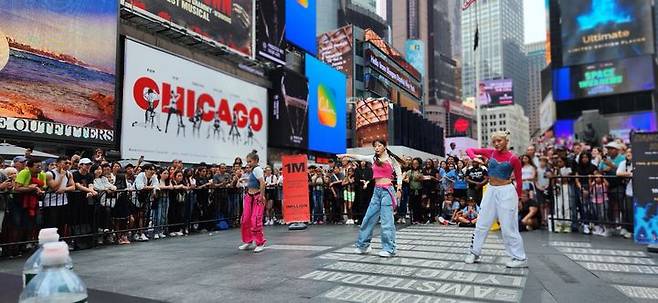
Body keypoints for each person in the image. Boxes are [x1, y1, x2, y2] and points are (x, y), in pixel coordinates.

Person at [464, 130, 528, 268]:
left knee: (508, 226)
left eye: (499, 141)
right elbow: (469, 149)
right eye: (494, 141)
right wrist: (473, 157)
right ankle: (474, 252)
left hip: (507, 192)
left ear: (506, 141)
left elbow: (519, 179)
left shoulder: (513, 159)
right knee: (482, 222)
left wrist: (519, 198)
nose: (497, 144)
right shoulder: (490, 153)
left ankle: (519, 258)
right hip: (491, 190)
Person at [338, 139, 403, 258]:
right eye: (375, 146)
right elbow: (359, 156)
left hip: (388, 191)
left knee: (386, 221)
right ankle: (363, 245)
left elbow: (399, 173)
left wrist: (399, 189)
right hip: (376, 191)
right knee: (368, 218)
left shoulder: (391, 159)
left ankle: (389, 248)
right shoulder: (373, 159)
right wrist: (346, 155)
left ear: (384, 146)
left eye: (379, 145)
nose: (377, 148)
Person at [238, 150, 267, 253]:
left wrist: (262, 196)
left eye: (250, 161)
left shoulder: (258, 169)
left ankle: (260, 242)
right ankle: (248, 240)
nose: (248, 163)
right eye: (247, 161)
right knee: (245, 220)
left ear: (256, 161)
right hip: (249, 197)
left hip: (257, 197)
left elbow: (262, 183)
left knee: (255, 220)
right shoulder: (252, 170)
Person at [616, 148, 633, 239]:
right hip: (629, 191)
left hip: (641, 192)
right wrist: (630, 174)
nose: (628, 154)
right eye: (627, 152)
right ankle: (628, 229)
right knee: (628, 211)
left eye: (631, 152)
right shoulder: (623, 163)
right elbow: (618, 173)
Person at [404, 158, 424, 224]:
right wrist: (406, 179)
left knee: (418, 205)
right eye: (413, 163)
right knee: (412, 205)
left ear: (419, 164)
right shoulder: (409, 172)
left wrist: (420, 178)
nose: (415, 165)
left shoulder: (421, 171)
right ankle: (413, 219)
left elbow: (424, 179)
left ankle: (418, 219)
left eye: (416, 163)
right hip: (412, 190)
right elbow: (405, 178)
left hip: (420, 190)